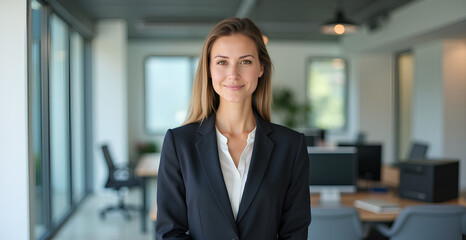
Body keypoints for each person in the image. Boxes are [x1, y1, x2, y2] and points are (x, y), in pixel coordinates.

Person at [156, 17, 311, 240]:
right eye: (222, 62)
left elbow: (295, 232)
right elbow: (170, 232)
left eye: (245, 61)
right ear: (209, 69)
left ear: (261, 68)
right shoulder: (179, 143)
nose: (233, 74)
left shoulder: (291, 146)